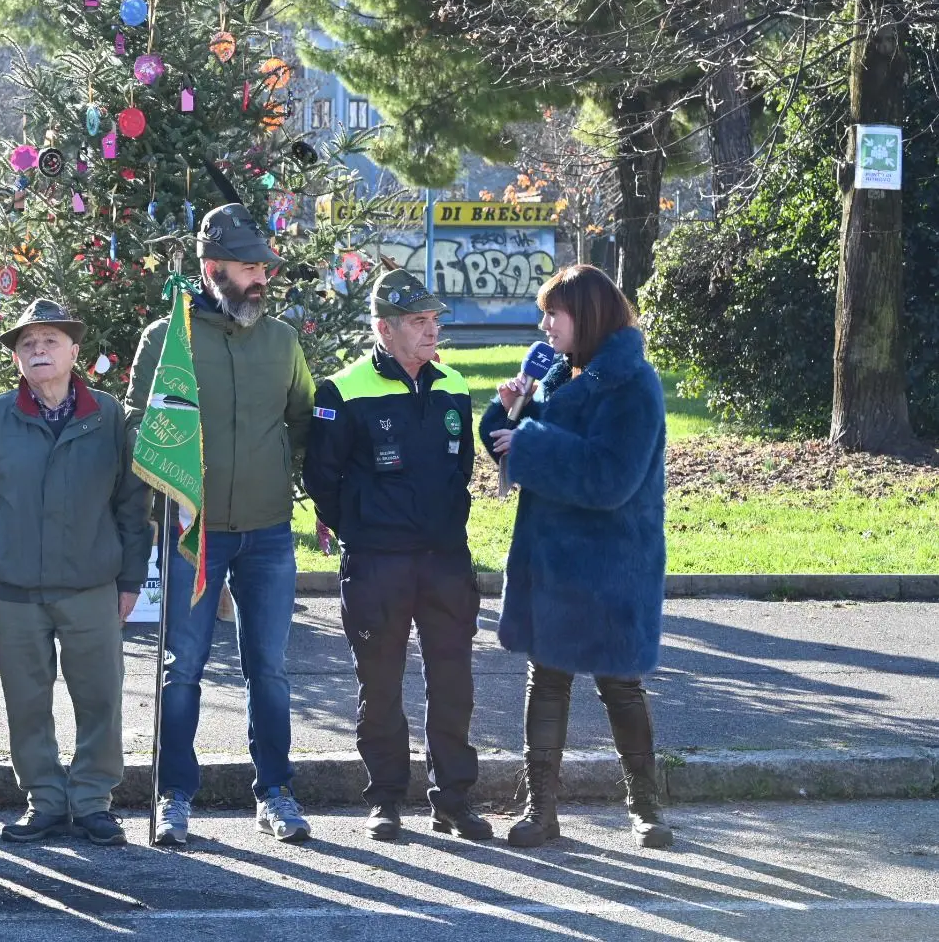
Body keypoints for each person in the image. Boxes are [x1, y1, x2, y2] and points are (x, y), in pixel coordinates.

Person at [125, 203, 314, 846]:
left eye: (265, 266)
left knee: (271, 668)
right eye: (248, 266)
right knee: (183, 666)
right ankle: (175, 794)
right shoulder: (166, 340)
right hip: (192, 532)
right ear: (213, 270)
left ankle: (276, 791)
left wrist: (315, 498)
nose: (261, 277)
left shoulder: (283, 340)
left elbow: (304, 420)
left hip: (268, 532)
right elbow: (135, 423)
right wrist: (165, 460)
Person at [480, 264, 672, 850]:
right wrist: (506, 409)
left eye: (553, 313)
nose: (544, 324)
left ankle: (646, 807)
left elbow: (611, 477)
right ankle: (542, 811)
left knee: (620, 686)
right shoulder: (562, 374)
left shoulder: (634, 384)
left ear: (584, 315)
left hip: (612, 566)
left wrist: (533, 442)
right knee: (547, 680)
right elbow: (509, 448)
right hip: (552, 564)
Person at [0, 298, 150, 847]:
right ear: (16, 358)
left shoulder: (107, 416)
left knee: (100, 698)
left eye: (50, 341)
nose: (39, 351)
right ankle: (43, 799)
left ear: (73, 351)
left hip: (91, 586)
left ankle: (91, 802)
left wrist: (131, 579)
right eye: (27, 344)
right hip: (12, 591)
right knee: (26, 701)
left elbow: (133, 506)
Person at [302, 269, 491, 842]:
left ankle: (453, 799)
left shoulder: (454, 385)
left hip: (445, 560)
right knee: (379, 683)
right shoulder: (344, 390)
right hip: (378, 561)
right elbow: (321, 477)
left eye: (434, 320)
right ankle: (385, 798)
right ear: (383, 328)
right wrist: (363, 528)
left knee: (453, 681)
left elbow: (461, 469)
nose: (432, 330)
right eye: (418, 321)